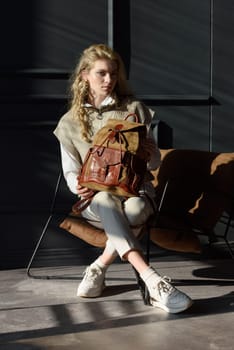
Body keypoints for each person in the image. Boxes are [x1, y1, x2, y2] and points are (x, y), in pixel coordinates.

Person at [54, 43, 193, 314]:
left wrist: (152, 153)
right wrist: (77, 186)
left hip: (135, 191)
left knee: (138, 209)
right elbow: (70, 169)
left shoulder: (134, 109)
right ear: (84, 75)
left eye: (114, 74)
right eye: (101, 73)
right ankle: (153, 281)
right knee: (106, 200)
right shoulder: (69, 121)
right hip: (97, 197)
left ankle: (98, 267)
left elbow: (152, 164)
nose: (109, 80)